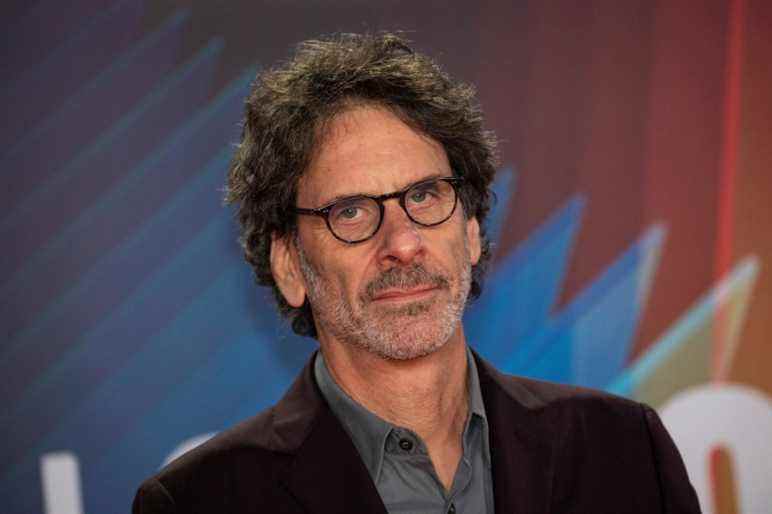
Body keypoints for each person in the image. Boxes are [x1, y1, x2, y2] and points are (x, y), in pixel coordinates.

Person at [132, 33, 701, 514]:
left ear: (472, 231)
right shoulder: (199, 502)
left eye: (426, 195)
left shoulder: (624, 448)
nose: (402, 243)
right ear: (290, 266)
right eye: (350, 211)